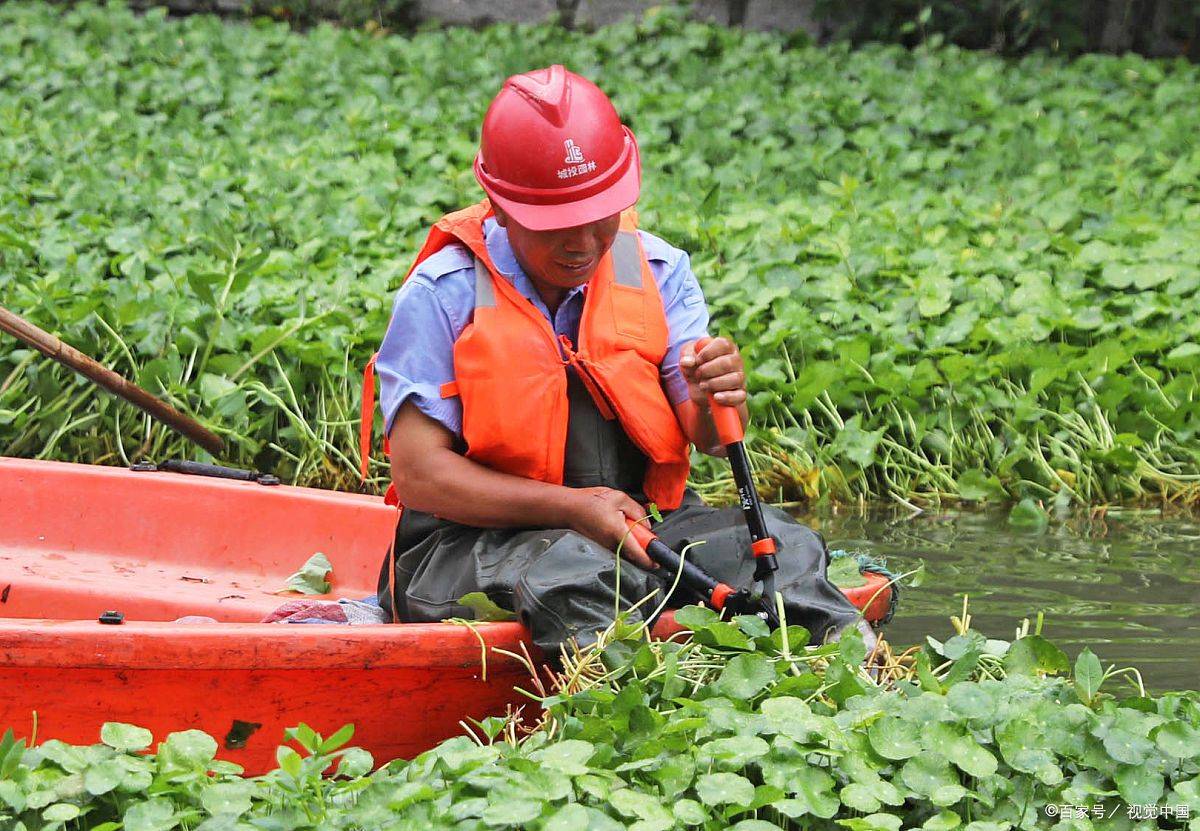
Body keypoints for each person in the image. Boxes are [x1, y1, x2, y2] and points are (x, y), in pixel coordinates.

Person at [368, 64, 864, 656]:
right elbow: (419, 475)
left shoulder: (654, 268)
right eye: (555, 226)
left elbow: (708, 437)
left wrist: (715, 398)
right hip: (468, 549)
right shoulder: (442, 293)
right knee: (575, 574)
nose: (582, 245)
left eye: (598, 217)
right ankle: (634, 686)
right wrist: (575, 509)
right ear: (500, 207)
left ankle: (856, 664)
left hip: (635, 531)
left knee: (787, 546)